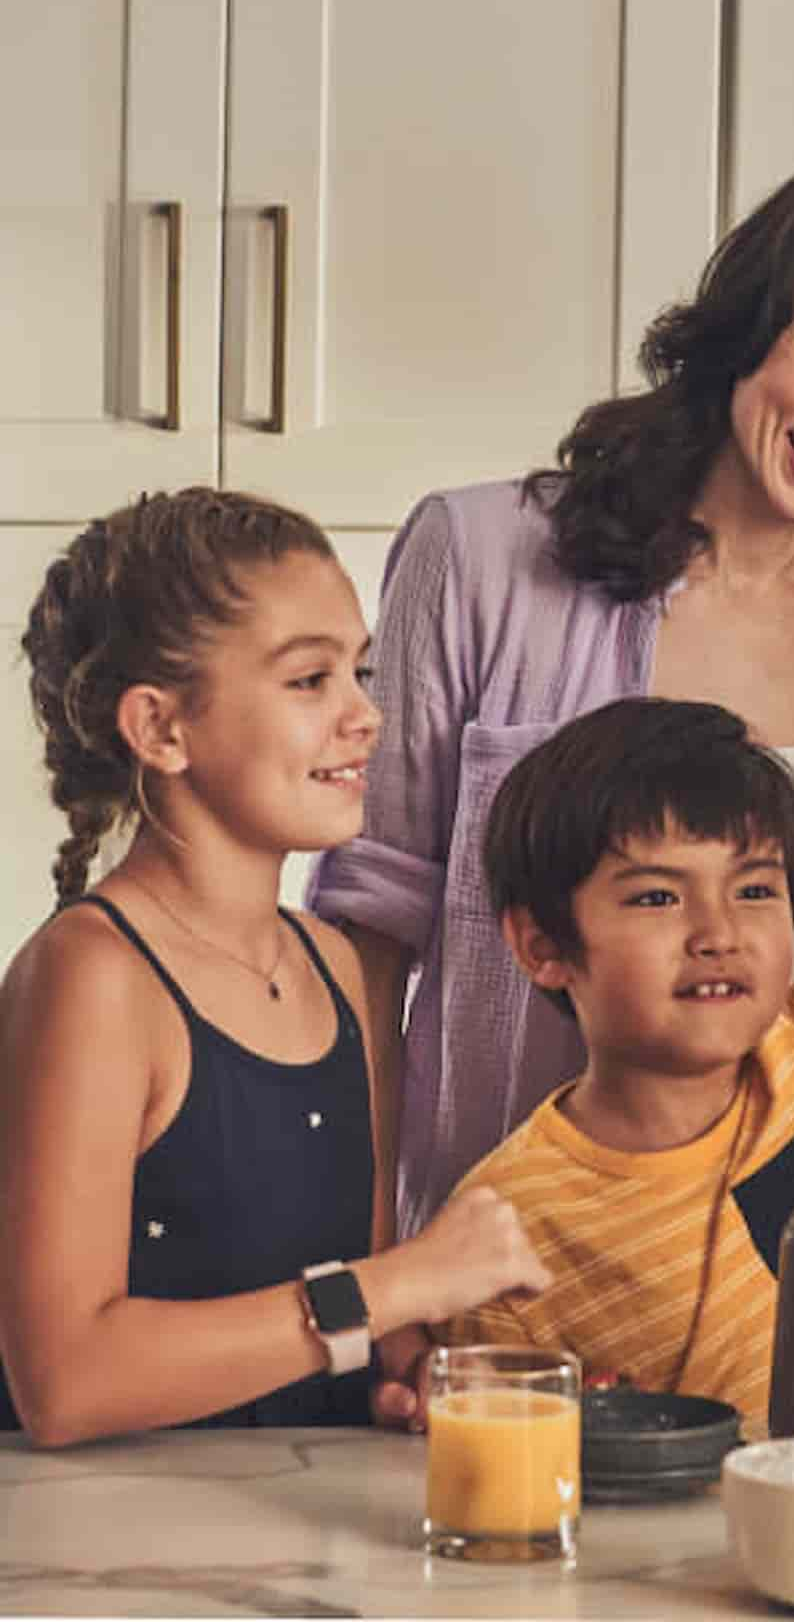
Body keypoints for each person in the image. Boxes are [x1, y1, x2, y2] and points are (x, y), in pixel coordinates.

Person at [309, 146, 794, 1240]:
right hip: (508, 1263)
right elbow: (366, 944)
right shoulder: (483, 557)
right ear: (748, 329)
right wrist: (375, 1263)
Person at [0, 489, 550, 1446]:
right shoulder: (93, 976)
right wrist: (398, 1285)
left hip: (303, 1541)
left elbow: (368, 1301)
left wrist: (433, 1370)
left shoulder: (334, 964)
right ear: (161, 730)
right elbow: (63, 1381)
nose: (366, 717)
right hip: (110, 1560)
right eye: (309, 681)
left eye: (362, 672)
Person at [431, 697, 794, 1423]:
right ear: (543, 947)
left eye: (754, 890)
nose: (719, 933)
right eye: (657, 897)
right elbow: (510, 1477)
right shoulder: (503, 1231)